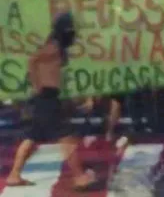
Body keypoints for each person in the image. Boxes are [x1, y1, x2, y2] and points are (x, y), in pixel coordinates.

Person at [6, 13, 97, 190]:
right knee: (67, 137)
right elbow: (32, 60)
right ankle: (79, 177)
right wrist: (37, 85)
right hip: (46, 97)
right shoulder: (53, 47)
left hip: (48, 97)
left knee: (32, 137)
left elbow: (49, 69)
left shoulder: (57, 48)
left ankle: (14, 175)